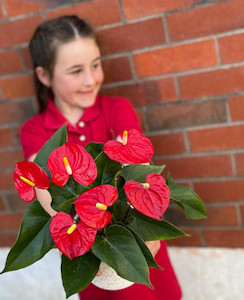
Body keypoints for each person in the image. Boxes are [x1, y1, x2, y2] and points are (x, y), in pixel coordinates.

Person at [20, 15, 182, 300]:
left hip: (134, 239)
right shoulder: (35, 131)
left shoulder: (117, 109)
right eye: (76, 71)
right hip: (88, 249)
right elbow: (46, 194)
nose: (91, 79)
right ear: (44, 76)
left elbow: (138, 171)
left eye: (95, 65)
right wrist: (83, 239)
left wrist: (145, 232)